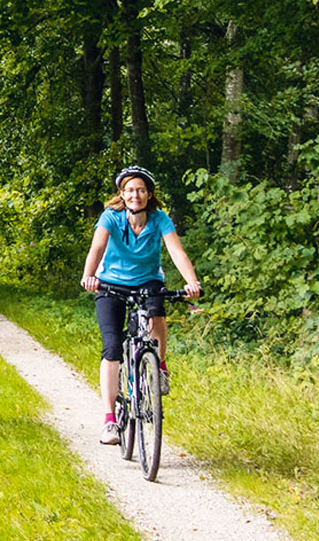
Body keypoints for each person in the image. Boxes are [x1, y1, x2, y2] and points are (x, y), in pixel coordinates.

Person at [79, 165, 202, 445]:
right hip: (110, 284)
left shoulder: (160, 219)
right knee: (111, 347)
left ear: (149, 195)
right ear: (122, 194)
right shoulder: (111, 217)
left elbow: (175, 250)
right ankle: (110, 420)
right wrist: (89, 276)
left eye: (141, 190)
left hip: (147, 281)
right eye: (130, 190)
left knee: (157, 311)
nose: (136, 195)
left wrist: (192, 282)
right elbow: (97, 248)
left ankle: (159, 365)